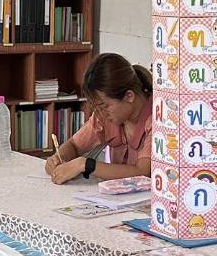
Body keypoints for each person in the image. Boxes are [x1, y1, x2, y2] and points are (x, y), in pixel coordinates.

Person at [46, 53, 153, 185]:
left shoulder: (158, 120)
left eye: (104, 106)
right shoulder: (104, 115)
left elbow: (142, 172)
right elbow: (74, 145)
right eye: (97, 107)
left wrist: (85, 165)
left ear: (129, 96)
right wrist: (59, 158)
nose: (100, 113)